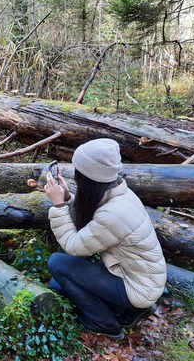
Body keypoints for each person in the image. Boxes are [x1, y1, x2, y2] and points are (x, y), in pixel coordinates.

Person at [44, 138, 166, 340]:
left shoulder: (113, 214)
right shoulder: (118, 194)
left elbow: (74, 246)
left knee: (57, 263)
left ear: (90, 177)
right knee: (57, 284)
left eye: (79, 172)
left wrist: (58, 208)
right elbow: (93, 226)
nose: (75, 177)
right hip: (140, 277)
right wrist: (67, 199)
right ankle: (127, 312)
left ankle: (103, 322)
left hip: (138, 286)